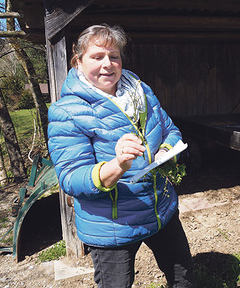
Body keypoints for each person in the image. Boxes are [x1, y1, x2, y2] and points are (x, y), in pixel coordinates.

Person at [47, 24, 196, 288]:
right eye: (97, 57)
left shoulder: (141, 92)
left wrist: (165, 151)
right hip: (112, 225)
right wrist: (116, 165)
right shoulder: (67, 112)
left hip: (160, 209)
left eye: (113, 56)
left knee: (183, 276)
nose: (108, 64)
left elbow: (170, 129)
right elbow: (71, 178)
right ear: (78, 61)